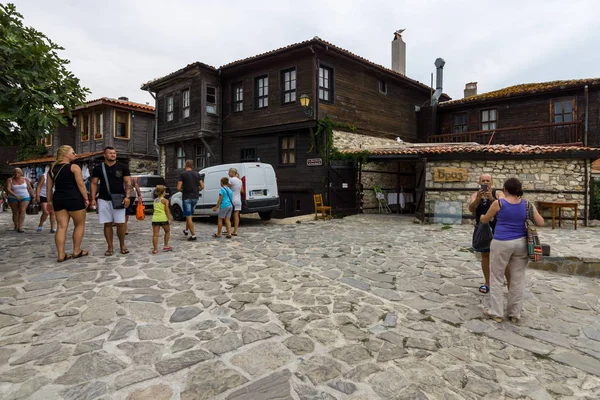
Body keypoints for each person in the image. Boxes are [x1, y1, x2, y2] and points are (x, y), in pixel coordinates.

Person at [480, 177, 544, 323]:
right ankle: (514, 314)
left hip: (501, 242)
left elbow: (485, 220)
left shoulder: (499, 203)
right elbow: (540, 222)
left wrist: (483, 217)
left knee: (496, 276)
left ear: (505, 189)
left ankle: (496, 312)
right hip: (521, 243)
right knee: (517, 278)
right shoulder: (527, 204)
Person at [46, 145, 90, 262]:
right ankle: (76, 251)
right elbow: (81, 185)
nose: (75, 154)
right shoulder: (74, 167)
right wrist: (86, 198)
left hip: (58, 199)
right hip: (74, 198)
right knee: (79, 225)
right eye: (73, 152)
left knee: (61, 227)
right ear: (65, 154)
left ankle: (61, 254)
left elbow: (49, 188)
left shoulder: (51, 169)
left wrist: (49, 202)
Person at [469, 174, 507, 294]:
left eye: (488, 180)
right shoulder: (475, 195)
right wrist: (478, 199)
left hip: (498, 227)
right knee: (485, 255)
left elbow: (504, 206)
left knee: (500, 256)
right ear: (479, 182)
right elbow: (471, 209)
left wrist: (491, 198)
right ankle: (487, 282)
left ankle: (501, 281)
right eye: (483, 180)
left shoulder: (498, 193)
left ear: (492, 182)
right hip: (482, 228)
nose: (485, 182)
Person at [90, 146, 132, 256]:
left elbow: (128, 182)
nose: (113, 154)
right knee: (107, 224)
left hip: (119, 198)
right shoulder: (98, 168)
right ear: (105, 155)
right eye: (110, 153)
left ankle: (122, 245)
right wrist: (93, 199)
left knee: (120, 223)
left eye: (114, 153)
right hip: (104, 198)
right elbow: (94, 183)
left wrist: (127, 197)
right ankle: (110, 247)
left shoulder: (123, 167)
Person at [177, 160, 204, 241]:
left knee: (188, 216)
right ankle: (186, 230)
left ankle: (193, 235)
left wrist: (183, 190)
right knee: (190, 214)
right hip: (195, 197)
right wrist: (196, 189)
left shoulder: (182, 174)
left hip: (186, 197)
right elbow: (202, 186)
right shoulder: (197, 174)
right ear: (192, 166)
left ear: (185, 165)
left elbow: (178, 187)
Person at [6, 168, 34, 232]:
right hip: (13, 197)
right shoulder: (10, 180)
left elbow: (29, 188)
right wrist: (16, 196)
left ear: (21, 173)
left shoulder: (26, 179)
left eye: (18, 173)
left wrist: (34, 196)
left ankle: (20, 226)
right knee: (15, 212)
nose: (16, 174)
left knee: (22, 210)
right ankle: (16, 225)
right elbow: (8, 189)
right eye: (15, 172)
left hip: (25, 197)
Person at [151, 185, 172, 254]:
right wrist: (169, 219)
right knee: (167, 231)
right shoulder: (165, 200)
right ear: (163, 192)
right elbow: (167, 210)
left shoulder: (155, 200)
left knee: (155, 234)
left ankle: (155, 249)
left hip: (155, 218)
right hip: (163, 218)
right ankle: (166, 245)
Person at [228, 168, 243, 236]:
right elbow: (242, 191)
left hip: (232, 199)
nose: (228, 173)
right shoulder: (240, 181)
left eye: (229, 172)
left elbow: (228, 189)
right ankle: (235, 231)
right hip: (238, 200)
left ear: (232, 172)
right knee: (236, 215)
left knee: (227, 215)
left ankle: (228, 230)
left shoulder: (231, 180)